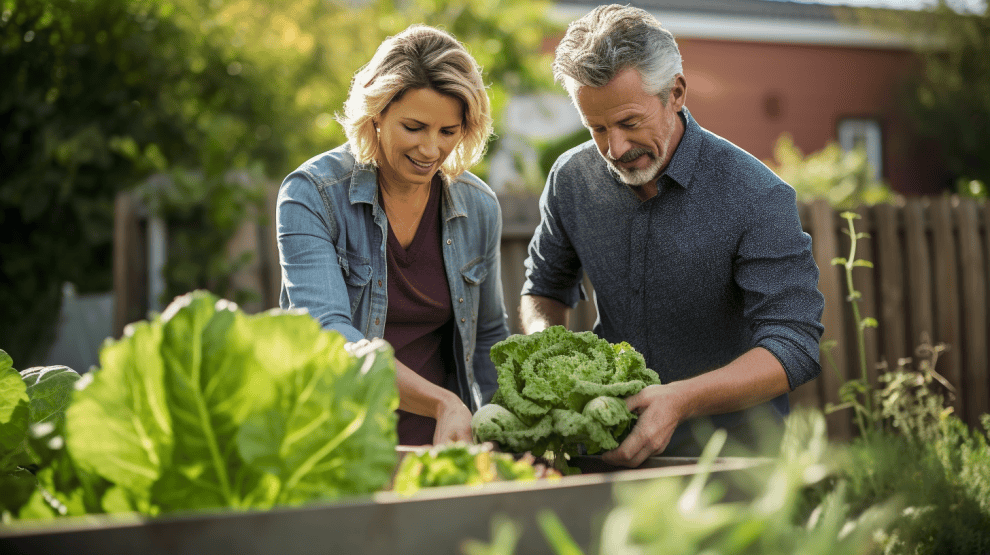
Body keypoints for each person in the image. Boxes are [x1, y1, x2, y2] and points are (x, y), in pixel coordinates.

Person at [520, 5, 825, 466]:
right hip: (607, 452)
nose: (615, 148)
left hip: (733, 464)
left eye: (629, 123)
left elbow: (793, 346)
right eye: (597, 128)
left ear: (676, 93)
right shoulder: (571, 178)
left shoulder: (756, 195)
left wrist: (680, 399)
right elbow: (543, 288)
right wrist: (552, 357)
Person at [277, 25, 509, 446]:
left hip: (442, 449)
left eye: (448, 132)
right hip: (334, 442)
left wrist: (506, 440)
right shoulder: (313, 195)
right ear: (377, 114)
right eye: (414, 127)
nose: (430, 150)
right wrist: (442, 403)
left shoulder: (479, 207)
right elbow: (328, 334)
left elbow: (490, 337)